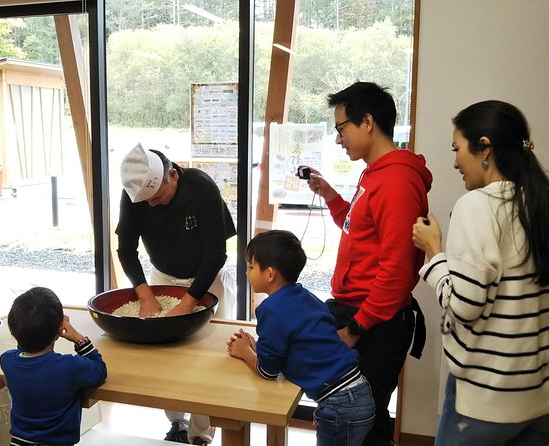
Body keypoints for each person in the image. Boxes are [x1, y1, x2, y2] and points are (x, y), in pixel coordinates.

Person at [412, 100, 549, 445]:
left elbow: (464, 306)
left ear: (484, 146)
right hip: (539, 397)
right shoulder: (539, 202)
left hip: (485, 402)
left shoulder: (477, 206)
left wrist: (433, 252)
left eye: (458, 148)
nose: (455, 161)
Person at [303, 82, 432, 446]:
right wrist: (331, 196)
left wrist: (356, 329)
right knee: (358, 414)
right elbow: (358, 229)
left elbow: (396, 270)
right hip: (359, 313)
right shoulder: (374, 173)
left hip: (374, 321)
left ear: (368, 122)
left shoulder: (395, 180)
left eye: (342, 127)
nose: (339, 138)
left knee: (363, 420)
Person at [116, 144, 236, 445]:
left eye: (157, 197)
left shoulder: (201, 188)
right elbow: (126, 250)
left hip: (209, 279)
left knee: (211, 359)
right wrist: (145, 295)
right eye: (147, 201)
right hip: (163, 276)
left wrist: (188, 302)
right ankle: (177, 425)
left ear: (173, 175)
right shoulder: (134, 194)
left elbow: (216, 254)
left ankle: (201, 435)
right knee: (166, 356)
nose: (152, 205)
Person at [228, 230, 375, 446]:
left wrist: (244, 352)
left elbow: (268, 372)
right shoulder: (307, 297)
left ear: (269, 274)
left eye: (250, 267)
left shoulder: (270, 309)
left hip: (338, 405)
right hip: (358, 392)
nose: (246, 272)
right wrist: (256, 347)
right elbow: (296, 345)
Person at [0, 286, 108, 446]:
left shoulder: (7, 361)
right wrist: (78, 338)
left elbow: (23, 350)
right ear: (59, 329)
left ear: (13, 330)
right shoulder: (70, 367)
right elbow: (99, 370)